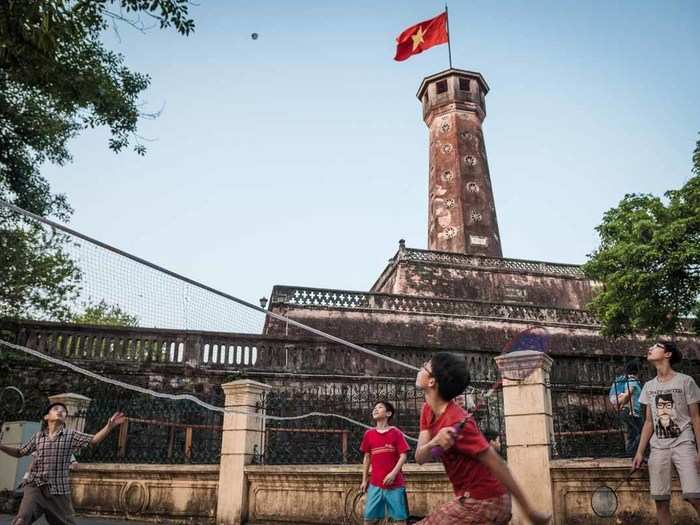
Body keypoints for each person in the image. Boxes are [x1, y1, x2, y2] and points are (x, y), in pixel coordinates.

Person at [414, 352, 551, 524]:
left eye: (426, 365)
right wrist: (434, 442)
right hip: (471, 499)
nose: (421, 366)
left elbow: (498, 465)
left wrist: (529, 511)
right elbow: (419, 457)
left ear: (432, 382)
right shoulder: (427, 411)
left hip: (486, 500)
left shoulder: (458, 421)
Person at [0, 401, 125, 525]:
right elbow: (20, 452)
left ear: (65, 418)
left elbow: (94, 440)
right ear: (46, 417)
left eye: (63, 410)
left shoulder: (71, 435)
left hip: (58, 490)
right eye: (55, 409)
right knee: (22, 519)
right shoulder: (38, 437)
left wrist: (109, 426)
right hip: (35, 486)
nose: (60, 411)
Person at [633, 341, 700, 525]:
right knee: (661, 501)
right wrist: (639, 452)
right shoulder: (648, 386)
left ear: (668, 354)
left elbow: (696, 418)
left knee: (694, 496)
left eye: (656, 346)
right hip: (658, 448)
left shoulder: (686, 381)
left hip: (684, 443)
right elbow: (648, 422)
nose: (650, 348)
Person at [360, 400, 410, 525]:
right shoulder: (369, 434)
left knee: (399, 519)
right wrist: (364, 480)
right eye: (374, 408)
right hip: (375, 484)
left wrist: (393, 474)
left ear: (388, 413)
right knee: (369, 519)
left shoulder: (396, 433)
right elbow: (367, 457)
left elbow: (403, 455)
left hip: (395, 484)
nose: (375, 409)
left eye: (380, 407)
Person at [608, 360, 643, 455]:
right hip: (631, 411)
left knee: (632, 433)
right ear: (638, 371)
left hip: (626, 411)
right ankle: (631, 452)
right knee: (641, 433)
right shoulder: (632, 380)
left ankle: (630, 453)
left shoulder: (625, 379)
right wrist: (622, 405)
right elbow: (628, 394)